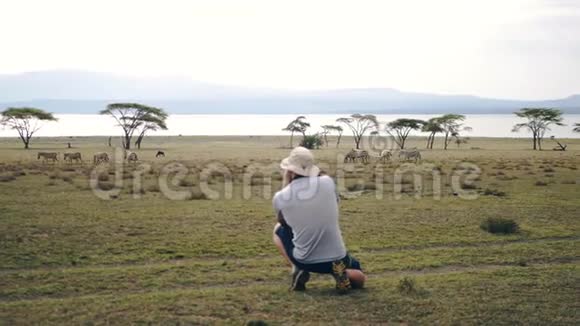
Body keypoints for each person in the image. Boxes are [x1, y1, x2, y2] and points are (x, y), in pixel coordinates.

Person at [272, 146, 367, 292]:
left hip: (306, 261)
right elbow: (335, 202)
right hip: (338, 258)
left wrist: (287, 183)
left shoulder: (280, 197)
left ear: (290, 170)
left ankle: (296, 267)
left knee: (277, 230)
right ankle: (342, 274)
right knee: (359, 276)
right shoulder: (328, 182)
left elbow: (284, 222)